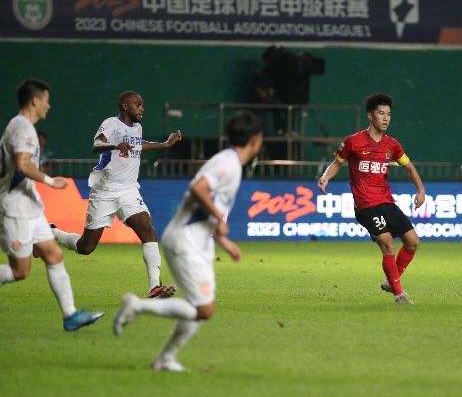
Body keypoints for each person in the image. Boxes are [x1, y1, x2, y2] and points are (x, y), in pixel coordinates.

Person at [113, 111, 264, 372]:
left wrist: (224, 241)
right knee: (204, 309)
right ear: (255, 140)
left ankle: (165, 359)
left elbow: (210, 205)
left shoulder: (233, 164)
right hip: (185, 241)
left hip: (199, 242)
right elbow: (199, 188)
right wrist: (219, 218)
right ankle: (137, 307)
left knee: (202, 306)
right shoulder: (227, 163)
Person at [51, 91, 182, 299]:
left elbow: (138, 145)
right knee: (86, 247)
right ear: (124, 106)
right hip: (104, 191)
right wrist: (115, 144)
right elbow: (97, 144)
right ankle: (54, 234)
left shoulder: (137, 128)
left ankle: (154, 287)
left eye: (142, 105)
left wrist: (164, 144)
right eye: (138, 104)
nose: (142, 108)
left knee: (148, 230)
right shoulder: (111, 123)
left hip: (129, 190)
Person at [0, 79, 103, 331]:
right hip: (16, 210)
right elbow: (23, 165)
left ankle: (70, 315)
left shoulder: (23, 127)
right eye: (46, 100)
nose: (49, 105)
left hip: (29, 206)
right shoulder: (22, 127)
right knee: (20, 271)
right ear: (35, 100)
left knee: (54, 254)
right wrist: (50, 180)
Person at [317, 93, 425, 304]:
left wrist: (420, 190)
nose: (385, 118)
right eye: (381, 113)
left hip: (386, 201)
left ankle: (391, 280)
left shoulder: (392, 145)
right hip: (365, 205)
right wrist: (325, 177)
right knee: (387, 242)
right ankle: (399, 294)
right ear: (370, 115)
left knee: (413, 242)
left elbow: (409, 168)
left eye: (388, 114)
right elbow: (338, 163)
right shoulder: (353, 142)